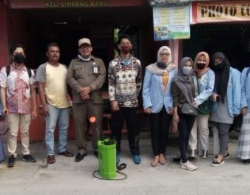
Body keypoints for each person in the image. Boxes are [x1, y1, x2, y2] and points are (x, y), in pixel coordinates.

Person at [67, 38, 106, 162]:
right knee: (79, 125)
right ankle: (82, 149)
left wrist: (89, 88)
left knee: (96, 124)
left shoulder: (98, 62)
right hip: (79, 100)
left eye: (87, 46)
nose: (85, 49)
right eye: (82, 47)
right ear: (79, 49)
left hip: (94, 100)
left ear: (91, 48)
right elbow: (69, 78)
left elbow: (102, 77)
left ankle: (97, 148)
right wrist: (81, 90)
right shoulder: (73, 62)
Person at [0, 44, 37, 167]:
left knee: (25, 132)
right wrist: (4, 106)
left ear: (24, 55)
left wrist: (35, 108)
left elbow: (33, 90)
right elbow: (2, 89)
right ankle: (12, 155)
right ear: (12, 55)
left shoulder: (30, 72)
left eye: (21, 53)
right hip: (11, 107)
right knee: (13, 133)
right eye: (16, 53)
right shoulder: (5, 70)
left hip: (26, 107)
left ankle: (26, 153)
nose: (19, 55)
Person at [36, 43, 74, 164]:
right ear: (47, 54)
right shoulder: (43, 67)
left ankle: (62, 149)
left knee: (64, 128)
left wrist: (69, 99)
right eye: (52, 51)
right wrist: (44, 104)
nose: (55, 53)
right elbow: (40, 87)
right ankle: (50, 154)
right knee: (50, 130)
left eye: (57, 51)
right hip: (51, 103)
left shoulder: (64, 67)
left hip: (64, 103)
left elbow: (65, 86)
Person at [108, 34, 143, 165]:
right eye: (123, 43)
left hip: (133, 103)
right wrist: (112, 100)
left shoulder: (137, 63)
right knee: (115, 129)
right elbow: (111, 82)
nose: (125, 45)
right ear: (119, 46)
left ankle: (135, 151)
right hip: (118, 103)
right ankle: (116, 151)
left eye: (128, 43)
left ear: (131, 46)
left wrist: (134, 95)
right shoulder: (113, 63)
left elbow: (139, 81)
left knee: (134, 129)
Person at [142, 45, 177, 167]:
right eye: (162, 54)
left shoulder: (173, 69)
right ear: (158, 55)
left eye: (166, 54)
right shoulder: (150, 69)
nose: (164, 56)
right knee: (155, 130)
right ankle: (156, 154)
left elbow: (175, 89)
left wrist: (174, 105)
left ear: (170, 56)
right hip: (154, 105)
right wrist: (147, 105)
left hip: (168, 105)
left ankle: (162, 153)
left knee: (164, 130)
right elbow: (145, 88)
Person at [209, 52, 241, 167]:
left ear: (225, 60)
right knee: (219, 128)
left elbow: (237, 90)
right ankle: (225, 151)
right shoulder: (213, 73)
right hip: (216, 106)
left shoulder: (234, 73)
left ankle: (221, 156)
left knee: (223, 131)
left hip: (229, 106)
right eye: (215, 61)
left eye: (220, 60)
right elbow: (210, 88)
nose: (218, 63)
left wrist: (237, 107)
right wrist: (212, 94)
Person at [171, 57, 198, 171]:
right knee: (182, 135)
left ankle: (183, 158)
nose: (187, 67)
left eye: (189, 65)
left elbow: (195, 94)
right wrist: (175, 114)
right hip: (181, 111)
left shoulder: (192, 79)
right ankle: (185, 161)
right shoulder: (175, 80)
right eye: (185, 65)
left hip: (191, 110)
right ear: (181, 66)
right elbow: (175, 98)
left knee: (187, 135)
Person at [188, 51, 214, 160]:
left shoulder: (210, 73)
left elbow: (210, 89)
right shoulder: (191, 72)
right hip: (191, 104)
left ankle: (204, 149)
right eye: (199, 59)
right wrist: (192, 100)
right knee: (192, 128)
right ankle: (192, 149)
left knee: (204, 128)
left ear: (207, 61)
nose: (201, 62)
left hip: (204, 104)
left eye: (204, 60)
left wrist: (198, 100)